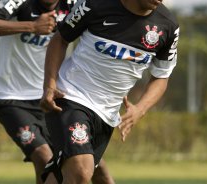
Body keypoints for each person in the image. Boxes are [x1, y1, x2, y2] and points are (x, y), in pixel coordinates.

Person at [0, 0, 115, 184]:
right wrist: (31, 26)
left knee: (95, 165)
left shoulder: (74, 5)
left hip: (57, 97)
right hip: (14, 99)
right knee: (43, 156)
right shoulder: (19, 2)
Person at [40, 0, 180, 183]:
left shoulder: (168, 25)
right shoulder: (95, 4)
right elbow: (61, 38)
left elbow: (161, 77)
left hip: (107, 116)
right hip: (71, 97)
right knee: (82, 171)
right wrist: (49, 84)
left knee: (63, 177)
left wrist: (140, 109)